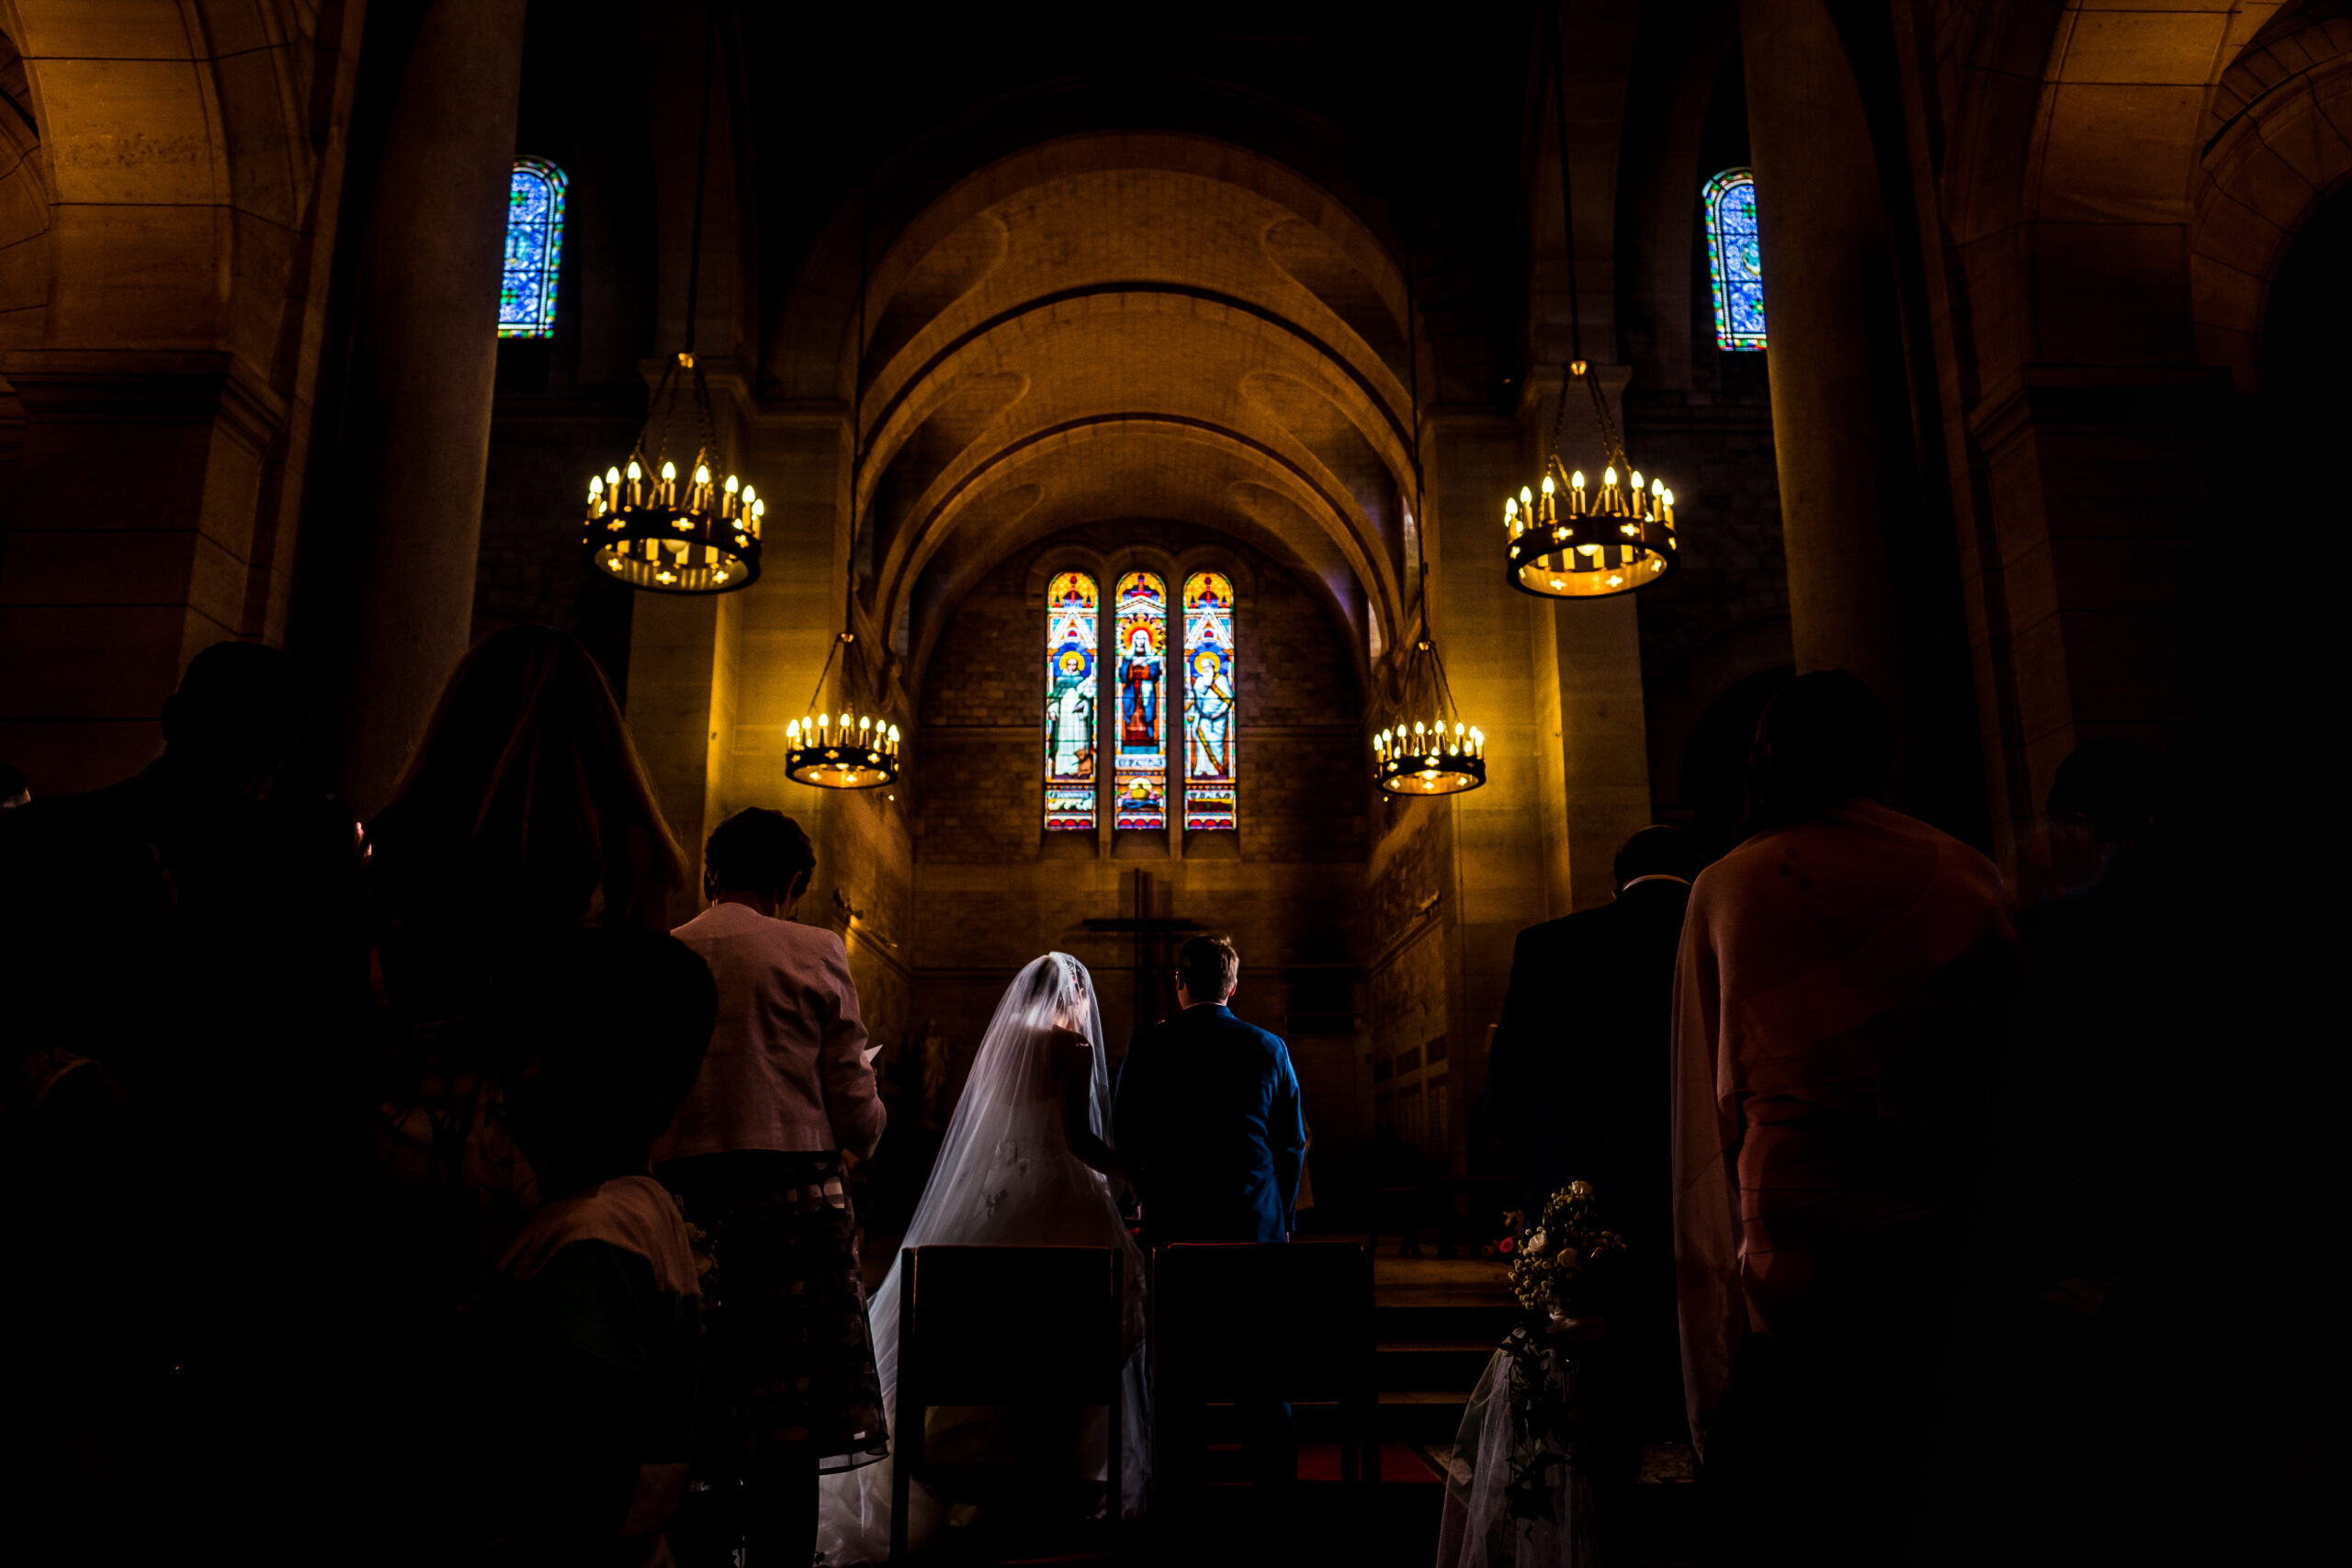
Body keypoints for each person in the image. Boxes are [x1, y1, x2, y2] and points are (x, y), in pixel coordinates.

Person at [1670, 671, 2017, 1566]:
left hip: (1793, 1238)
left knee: (1796, 1498)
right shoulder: (1961, 873)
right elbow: (2008, 1071)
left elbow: (1705, 1111)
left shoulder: (1728, 885)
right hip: (1940, 1234)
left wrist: (1706, 1333)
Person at [818, 953, 1144, 1563]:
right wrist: (1128, 1172)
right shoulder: (1070, 1048)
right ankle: (1047, 1471)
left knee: (987, 1329)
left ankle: (980, 1466)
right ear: (1073, 994)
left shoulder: (1004, 1049)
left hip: (1000, 1192)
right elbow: (1076, 1139)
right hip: (1057, 1193)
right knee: (1067, 1332)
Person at [652, 808, 888, 1567]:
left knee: (701, 1409)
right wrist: (873, 1107)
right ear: (791, 883)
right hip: (793, 1211)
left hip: (685, 1210)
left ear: (711, 872)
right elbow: (855, 1113)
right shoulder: (815, 949)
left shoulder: (666, 953)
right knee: (794, 1423)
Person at [469, 926, 719, 1568]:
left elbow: (580, 1485)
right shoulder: (639, 1210)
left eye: (561, 1053)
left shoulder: (593, 1239)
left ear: (646, 1086)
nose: (528, 1075)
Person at [1482, 823, 1699, 1557]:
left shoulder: (1550, 944)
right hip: (1707, 1207)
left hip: (1585, 1212)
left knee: (1594, 1416)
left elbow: (1505, 1098)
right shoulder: (1719, 932)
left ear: (1615, 883)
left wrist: (1544, 1172)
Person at [1114, 935, 1306, 1492]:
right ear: (1233, 986)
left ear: (1179, 985)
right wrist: (1282, 1220)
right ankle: (1274, 1491)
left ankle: (1180, 1493)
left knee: (1178, 1373)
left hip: (1175, 1235)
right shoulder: (1268, 1047)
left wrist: (1144, 1190)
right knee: (1263, 1372)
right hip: (1253, 1235)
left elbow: (1125, 1139)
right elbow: (1290, 1145)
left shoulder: (1149, 1046)